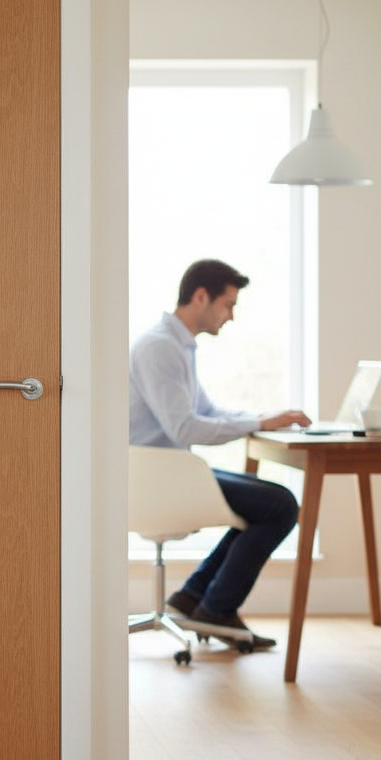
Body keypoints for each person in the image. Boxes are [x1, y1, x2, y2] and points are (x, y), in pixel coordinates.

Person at [130, 259, 311, 649]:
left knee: (269, 502)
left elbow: (207, 412)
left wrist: (264, 418)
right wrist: (258, 424)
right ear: (200, 297)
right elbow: (186, 428)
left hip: (169, 471)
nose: (230, 316)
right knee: (278, 506)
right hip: (156, 480)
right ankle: (214, 608)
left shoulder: (176, 345)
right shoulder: (160, 348)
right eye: (228, 305)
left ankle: (195, 597)